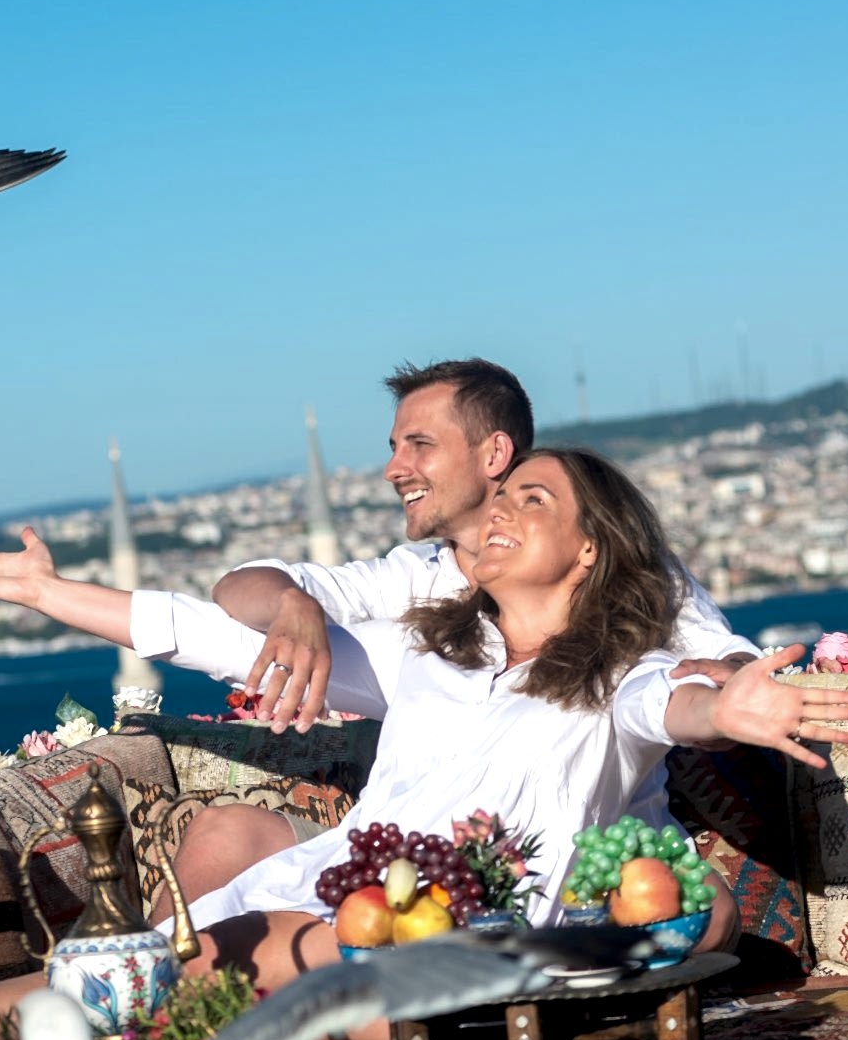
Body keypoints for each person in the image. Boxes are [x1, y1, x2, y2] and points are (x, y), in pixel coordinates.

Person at [0, 447, 848, 1040]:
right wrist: (48, 593)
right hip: (360, 895)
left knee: (243, 945)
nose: (499, 510)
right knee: (213, 924)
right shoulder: (431, 652)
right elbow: (216, 634)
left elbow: (671, 702)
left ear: (590, 551)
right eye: (502, 496)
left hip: (482, 933)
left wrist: (731, 700)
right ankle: (68, 1034)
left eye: (532, 500)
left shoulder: (620, 671)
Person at [186, 358, 758, 913]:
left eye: (419, 444)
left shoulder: (616, 583)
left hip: (565, 857)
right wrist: (294, 603)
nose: (393, 469)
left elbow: (705, 668)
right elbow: (230, 607)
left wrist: (724, 703)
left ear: (494, 453)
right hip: (421, 848)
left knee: (709, 910)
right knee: (223, 839)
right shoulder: (410, 588)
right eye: (394, 447)